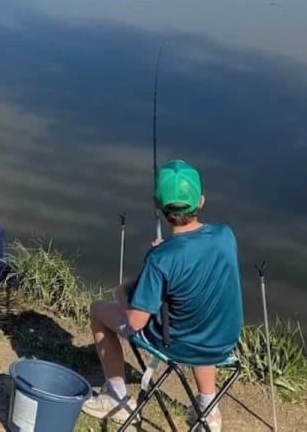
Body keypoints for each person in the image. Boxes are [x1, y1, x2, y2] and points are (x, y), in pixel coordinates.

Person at [81, 159, 242, 431]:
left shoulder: (161, 259)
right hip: (223, 340)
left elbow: (135, 322)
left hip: (180, 343)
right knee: (200, 314)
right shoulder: (226, 235)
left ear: (158, 205)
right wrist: (167, 251)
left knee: (98, 310)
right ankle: (209, 409)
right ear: (201, 201)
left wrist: (124, 291)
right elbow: (197, 256)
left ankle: (117, 399)